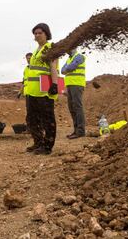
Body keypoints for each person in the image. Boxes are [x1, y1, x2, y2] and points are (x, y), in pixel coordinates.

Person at [25, 23, 59, 155]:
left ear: (46, 34)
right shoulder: (36, 50)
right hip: (32, 91)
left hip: (45, 90)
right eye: (35, 33)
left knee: (47, 118)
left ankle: (47, 146)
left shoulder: (50, 48)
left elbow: (53, 67)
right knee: (32, 119)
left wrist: (55, 84)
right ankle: (38, 142)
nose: (37, 35)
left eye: (40, 32)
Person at [62, 49, 86, 139]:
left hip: (77, 84)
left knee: (77, 107)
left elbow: (69, 68)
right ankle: (76, 130)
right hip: (69, 85)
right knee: (71, 107)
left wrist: (67, 69)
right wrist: (67, 68)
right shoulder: (69, 59)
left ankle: (80, 131)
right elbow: (62, 70)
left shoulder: (79, 56)